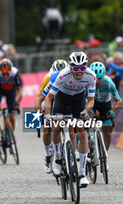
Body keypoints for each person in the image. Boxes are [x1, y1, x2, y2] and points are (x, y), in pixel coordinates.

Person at [44, 51, 96, 188]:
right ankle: (57, 158)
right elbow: (49, 98)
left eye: (82, 68)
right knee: (55, 127)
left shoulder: (91, 76)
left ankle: (82, 174)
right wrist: (48, 115)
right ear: (71, 67)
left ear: (86, 66)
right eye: (76, 68)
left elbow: (91, 100)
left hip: (78, 100)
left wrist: (86, 110)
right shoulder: (63, 75)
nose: (79, 72)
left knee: (82, 132)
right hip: (62, 98)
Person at [34, 59, 69, 174]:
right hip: (49, 99)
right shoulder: (49, 77)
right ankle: (48, 155)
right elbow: (40, 96)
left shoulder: (70, 76)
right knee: (47, 129)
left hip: (63, 99)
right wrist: (40, 113)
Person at [89, 62, 122, 154]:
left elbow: (119, 100)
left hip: (105, 105)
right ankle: (90, 141)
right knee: (89, 119)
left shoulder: (108, 82)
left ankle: (105, 153)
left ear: (104, 76)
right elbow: (84, 100)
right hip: (93, 104)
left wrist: (113, 110)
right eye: (95, 79)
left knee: (107, 132)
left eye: (100, 79)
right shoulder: (88, 82)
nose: (97, 82)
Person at [0, 58, 22, 151]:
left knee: (12, 116)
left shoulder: (15, 72)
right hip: (0, 90)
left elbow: (19, 90)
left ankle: (11, 136)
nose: (5, 76)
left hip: (11, 92)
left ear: (10, 71)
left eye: (7, 73)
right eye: (3, 74)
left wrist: (16, 101)